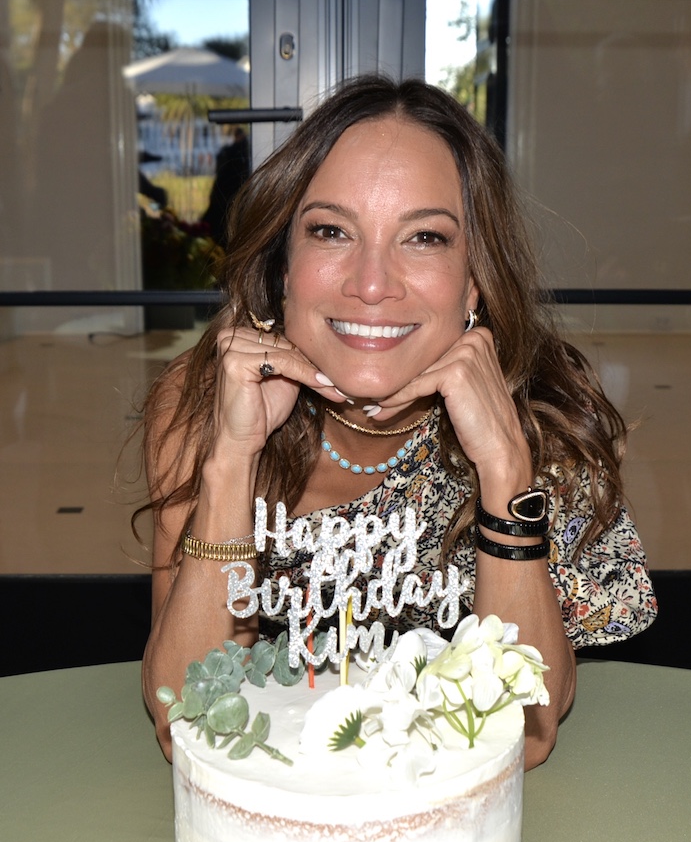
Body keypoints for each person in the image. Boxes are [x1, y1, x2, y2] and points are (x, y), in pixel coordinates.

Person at [137, 75, 657, 767]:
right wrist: (232, 460)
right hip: (274, 822)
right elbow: (186, 719)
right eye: (330, 231)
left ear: (473, 278)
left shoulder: (542, 416)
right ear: (283, 267)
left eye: (423, 238)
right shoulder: (203, 399)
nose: (372, 283)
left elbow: (526, 735)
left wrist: (505, 470)